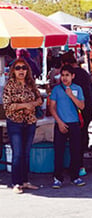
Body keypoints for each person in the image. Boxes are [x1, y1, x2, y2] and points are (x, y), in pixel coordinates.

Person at [2, 58, 43, 194]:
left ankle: (25, 181)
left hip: (30, 122)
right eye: (18, 68)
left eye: (23, 68)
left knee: (26, 153)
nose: (21, 71)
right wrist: (25, 105)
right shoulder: (10, 86)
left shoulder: (31, 84)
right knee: (18, 153)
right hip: (15, 123)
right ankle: (16, 182)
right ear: (13, 70)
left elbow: (39, 99)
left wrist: (33, 104)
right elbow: (7, 106)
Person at [49, 64, 86, 188]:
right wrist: (59, 122)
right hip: (60, 123)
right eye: (63, 75)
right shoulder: (56, 89)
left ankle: (75, 176)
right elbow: (52, 108)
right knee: (58, 152)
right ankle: (57, 177)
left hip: (74, 123)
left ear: (73, 76)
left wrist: (71, 95)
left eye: (67, 75)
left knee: (75, 151)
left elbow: (82, 106)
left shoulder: (78, 89)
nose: (64, 78)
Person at [61, 51, 92, 176]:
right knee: (82, 136)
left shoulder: (74, 75)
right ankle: (79, 166)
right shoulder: (83, 73)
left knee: (77, 138)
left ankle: (78, 166)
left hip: (79, 110)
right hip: (88, 108)